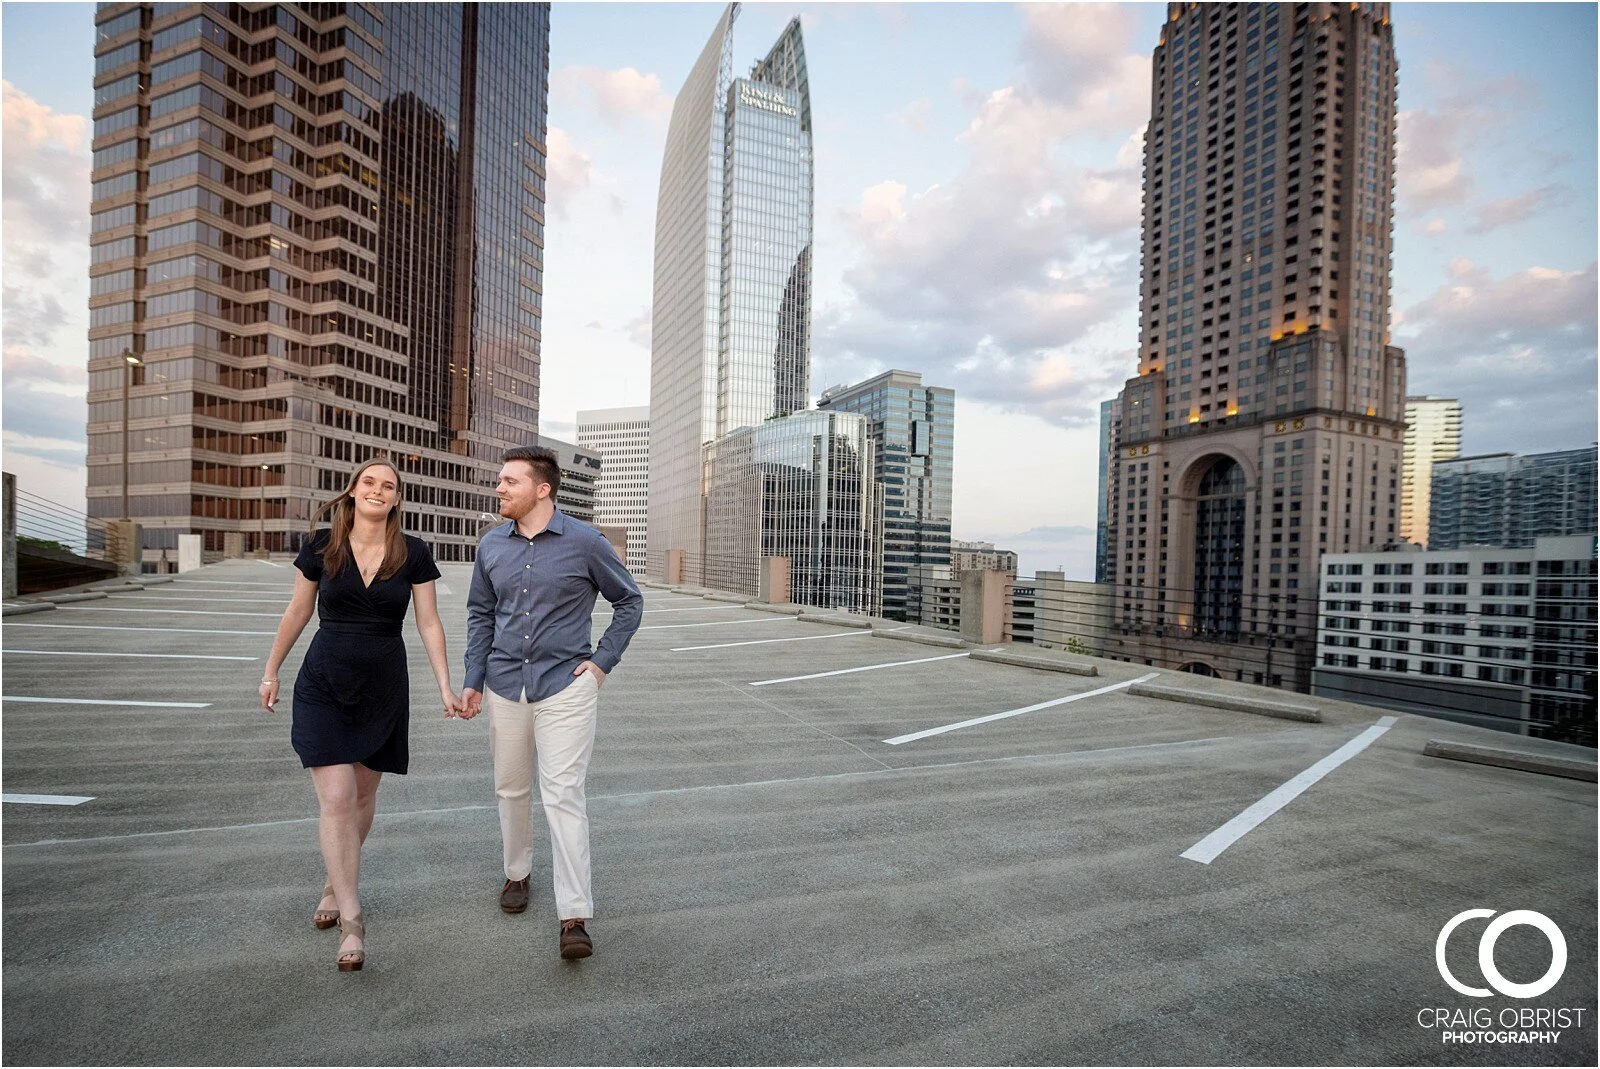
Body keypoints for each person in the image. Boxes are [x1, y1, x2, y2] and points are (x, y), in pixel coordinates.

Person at [260, 457, 462, 971]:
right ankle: (353, 920)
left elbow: (429, 622)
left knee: (364, 796)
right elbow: (298, 611)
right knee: (336, 795)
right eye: (369, 482)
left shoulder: (413, 553)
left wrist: (444, 685)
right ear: (352, 491)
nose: (378, 490)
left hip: (383, 685)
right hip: (324, 682)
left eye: (388, 486)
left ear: (396, 498)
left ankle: (334, 881)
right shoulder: (322, 546)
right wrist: (271, 670)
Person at [462, 445, 643, 960]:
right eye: (500, 480)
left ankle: (574, 916)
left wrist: (602, 662)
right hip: (503, 684)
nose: (500, 488)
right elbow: (481, 614)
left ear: (542, 488)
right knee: (511, 788)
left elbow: (629, 600)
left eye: (509, 481)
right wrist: (474, 678)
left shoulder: (586, 543)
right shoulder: (491, 545)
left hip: (566, 686)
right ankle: (517, 874)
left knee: (563, 793)